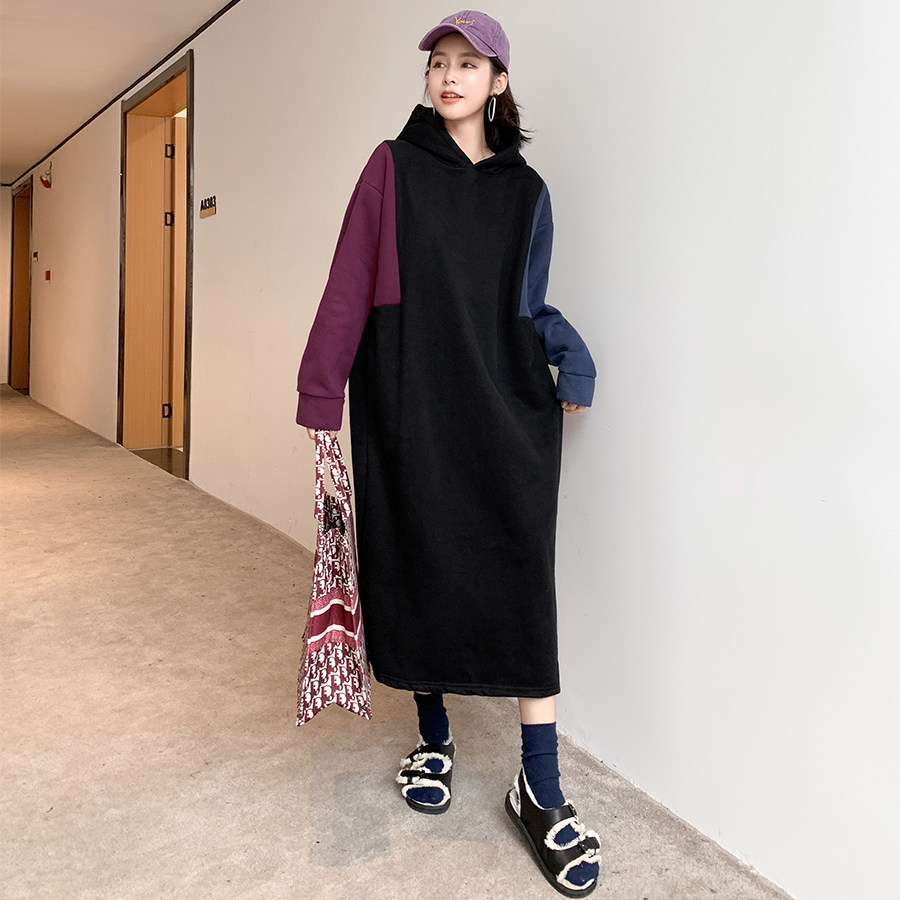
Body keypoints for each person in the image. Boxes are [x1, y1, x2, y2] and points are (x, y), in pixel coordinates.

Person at [296, 10, 601, 895]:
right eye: (440, 62)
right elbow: (349, 282)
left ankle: (539, 785)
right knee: (417, 560)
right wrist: (320, 390)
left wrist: (571, 354)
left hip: (503, 404)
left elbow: (526, 305)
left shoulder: (527, 191)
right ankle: (434, 738)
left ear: (499, 83)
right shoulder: (390, 168)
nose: (451, 76)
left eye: (470, 64)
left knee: (521, 580)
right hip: (408, 397)